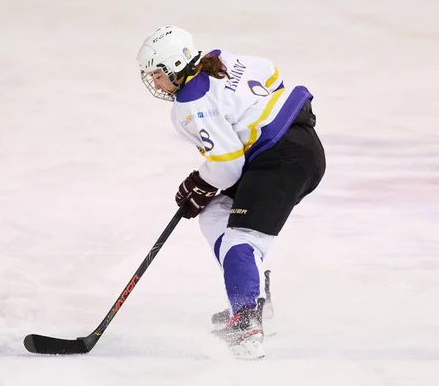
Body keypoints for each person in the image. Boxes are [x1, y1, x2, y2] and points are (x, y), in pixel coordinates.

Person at [136, 25, 326, 359]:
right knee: (214, 212)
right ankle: (253, 299)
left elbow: (226, 166)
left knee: (243, 238)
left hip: (278, 160)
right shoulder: (220, 59)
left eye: (157, 74)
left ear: (175, 67)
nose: (155, 83)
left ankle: (247, 325)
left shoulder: (191, 103)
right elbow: (270, 73)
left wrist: (200, 182)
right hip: (300, 145)